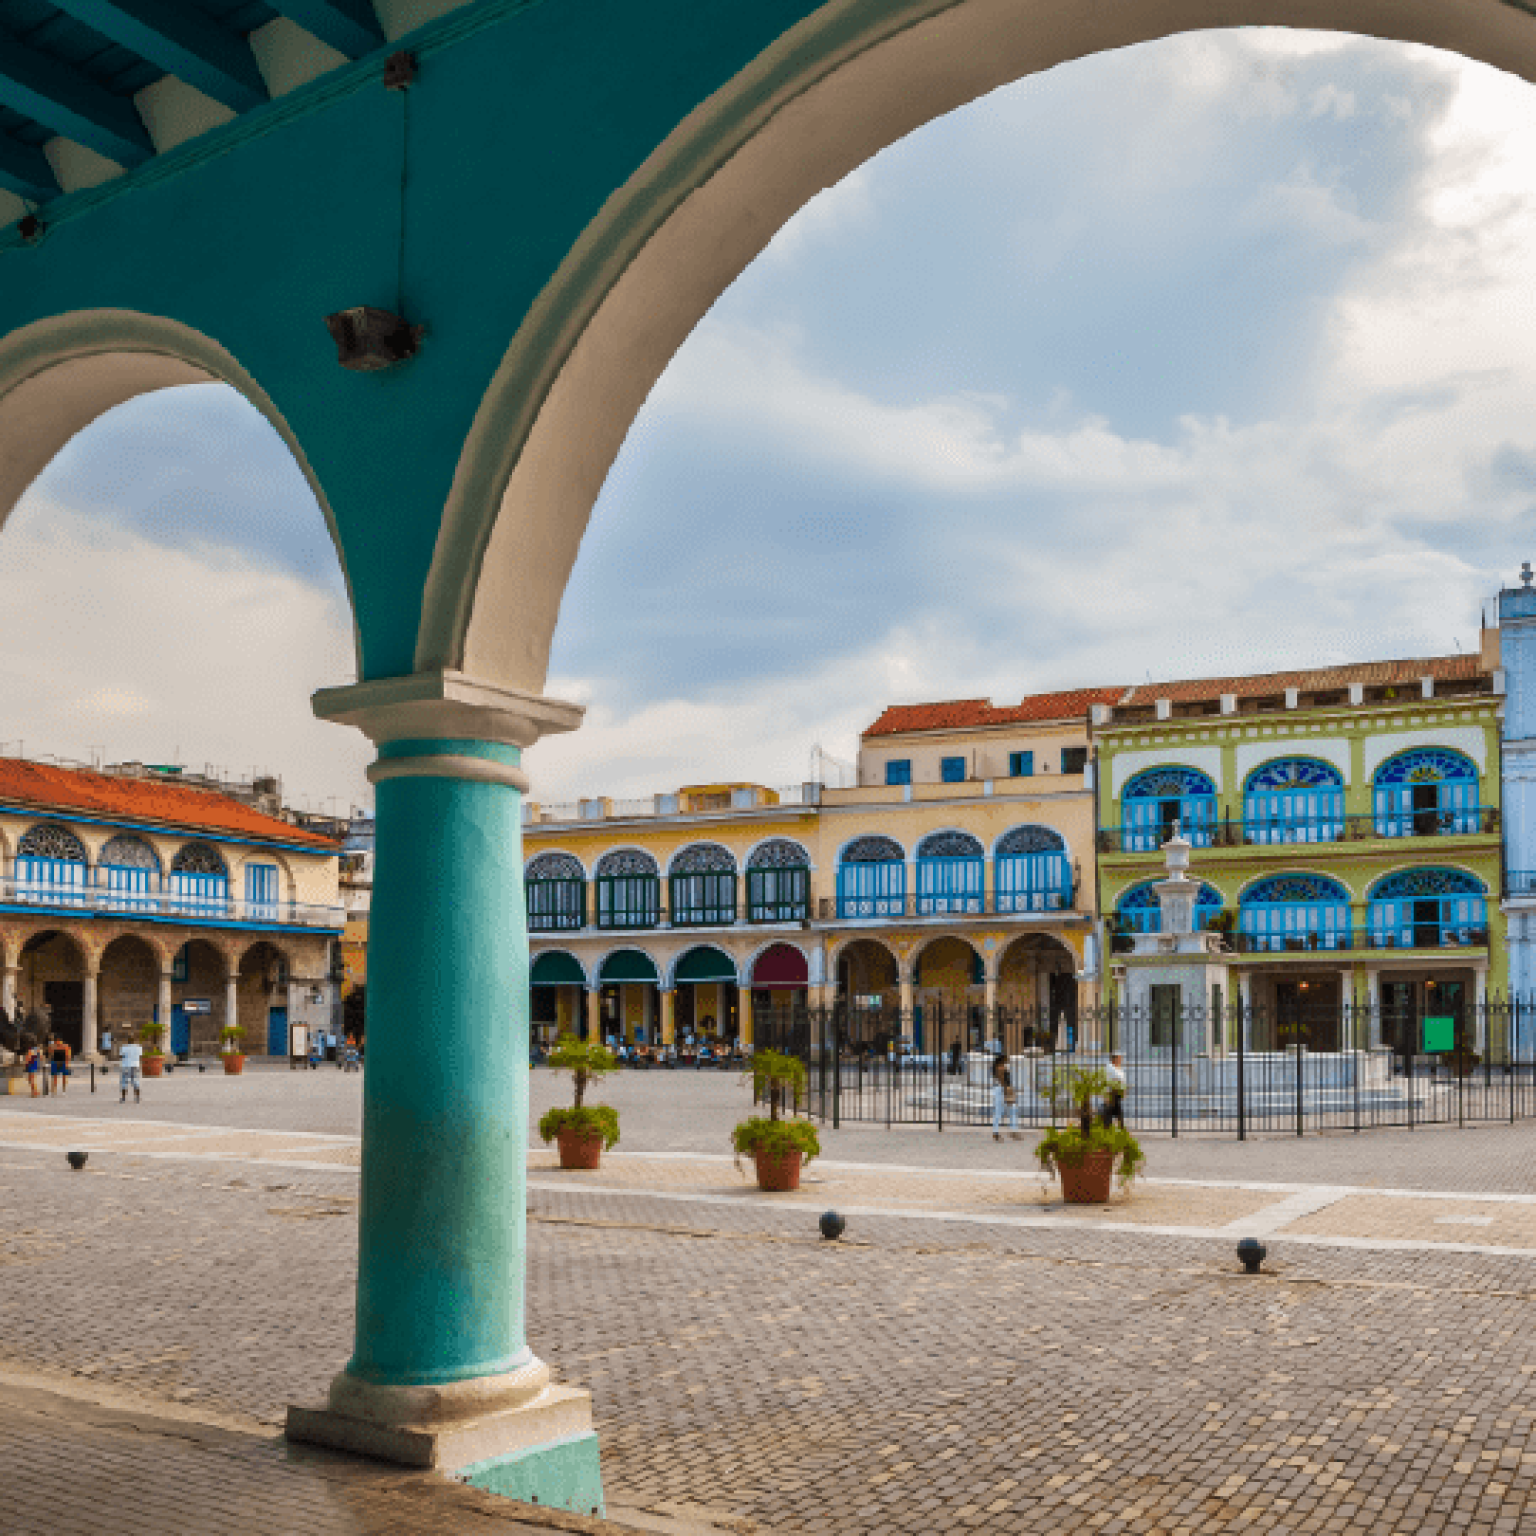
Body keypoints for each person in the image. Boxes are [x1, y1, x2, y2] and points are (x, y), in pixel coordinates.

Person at [991, 1049, 1020, 1141]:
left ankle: (1013, 1131)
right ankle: (996, 1132)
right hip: (1001, 1090)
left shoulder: (1002, 1067)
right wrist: (1007, 1089)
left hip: (1003, 1089)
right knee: (1000, 1111)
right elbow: (1002, 1080)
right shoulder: (999, 1068)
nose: (1007, 1061)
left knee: (1012, 1110)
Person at [1101, 1052, 1127, 1130]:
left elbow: (1122, 1080)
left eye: (1120, 1058)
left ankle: (1110, 1127)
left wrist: (1124, 1090)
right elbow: (1106, 1080)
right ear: (1114, 1059)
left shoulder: (1118, 1068)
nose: (1120, 1060)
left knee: (1114, 1110)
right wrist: (1106, 1094)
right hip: (1112, 1092)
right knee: (1113, 1110)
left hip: (1117, 1092)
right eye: (1119, 1058)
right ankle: (1116, 1128)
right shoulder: (1109, 1068)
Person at [118, 1036, 143, 1104]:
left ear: (128, 1041)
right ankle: (137, 1098)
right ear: (135, 1040)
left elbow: (120, 1056)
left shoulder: (124, 1047)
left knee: (124, 1082)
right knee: (136, 1081)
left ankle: (123, 1098)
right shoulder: (139, 1047)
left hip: (126, 1065)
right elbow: (140, 1056)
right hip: (135, 1065)